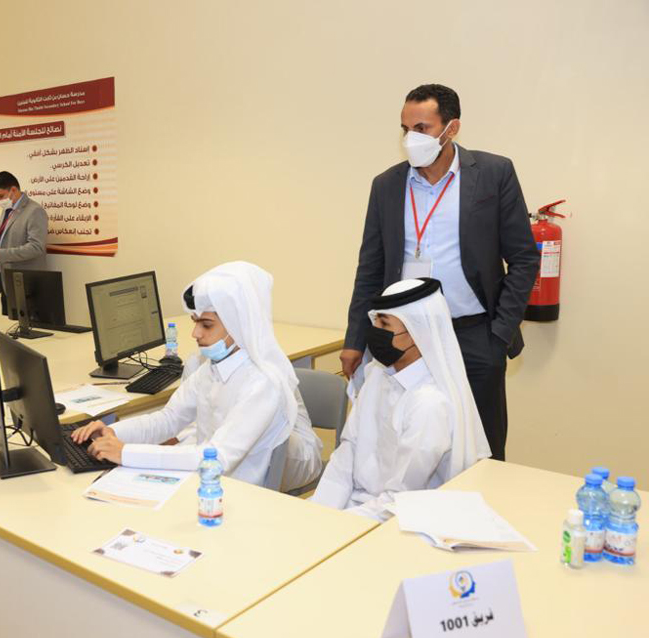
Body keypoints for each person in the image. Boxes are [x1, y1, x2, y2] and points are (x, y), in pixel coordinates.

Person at [340, 84, 539, 461]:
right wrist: (355, 339)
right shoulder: (386, 185)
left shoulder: (494, 174)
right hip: (406, 340)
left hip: (475, 334)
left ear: (451, 128)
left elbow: (524, 258)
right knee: (408, 447)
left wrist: (500, 333)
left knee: (483, 449)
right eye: (405, 129)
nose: (411, 138)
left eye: (422, 127)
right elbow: (370, 268)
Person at [72, 262, 322, 489]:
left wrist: (126, 453)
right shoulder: (212, 367)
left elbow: (218, 456)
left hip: (236, 494)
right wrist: (114, 432)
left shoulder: (263, 383)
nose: (195, 333)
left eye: (206, 325)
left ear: (239, 325)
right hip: (205, 483)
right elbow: (169, 419)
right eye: (195, 322)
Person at [313, 278, 490, 521]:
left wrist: (340, 524)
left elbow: (400, 498)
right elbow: (347, 453)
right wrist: (317, 513)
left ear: (418, 332)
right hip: (354, 509)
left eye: (385, 325)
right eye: (375, 322)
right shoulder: (376, 375)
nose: (376, 333)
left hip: (403, 520)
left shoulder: (429, 403)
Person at [0, 171, 48, 316]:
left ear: (13, 190)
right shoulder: (7, 210)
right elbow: (3, 241)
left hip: (26, 286)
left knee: (25, 335)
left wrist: (0, 255)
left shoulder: (35, 211)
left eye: (0, 196)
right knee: (7, 330)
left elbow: (36, 247)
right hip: (6, 282)